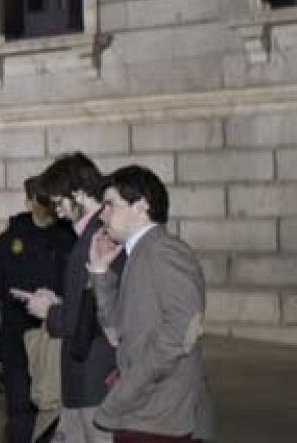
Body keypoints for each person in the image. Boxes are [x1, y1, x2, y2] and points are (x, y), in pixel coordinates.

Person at [87, 166, 215, 443]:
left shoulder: (164, 251)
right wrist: (99, 272)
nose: (102, 215)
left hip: (159, 419)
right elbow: (116, 332)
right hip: (142, 414)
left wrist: (130, 387)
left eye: (110, 205)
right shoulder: (141, 253)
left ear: (141, 205)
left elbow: (181, 332)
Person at [19, 153, 121, 443]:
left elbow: (79, 321)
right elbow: (94, 305)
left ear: (78, 193)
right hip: (88, 377)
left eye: (60, 203)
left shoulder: (94, 239)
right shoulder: (93, 235)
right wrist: (59, 304)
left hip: (92, 377)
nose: (58, 213)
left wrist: (48, 311)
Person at [0, 177, 74, 443]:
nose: (47, 207)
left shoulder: (70, 238)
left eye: (50, 199)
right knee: (20, 418)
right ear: (28, 202)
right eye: (40, 200)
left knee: (55, 416)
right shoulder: (8, 242)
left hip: (56, 342)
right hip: (17, 346)